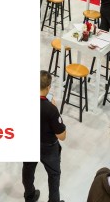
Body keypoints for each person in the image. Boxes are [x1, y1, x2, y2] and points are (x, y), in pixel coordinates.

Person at [22, 71, 67, 202]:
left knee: (28, 169)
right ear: (48, 87)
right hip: (48, 147)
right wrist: (55, 110)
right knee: (54, 175)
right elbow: (62, 136)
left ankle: (29, 195)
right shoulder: (51, 109)